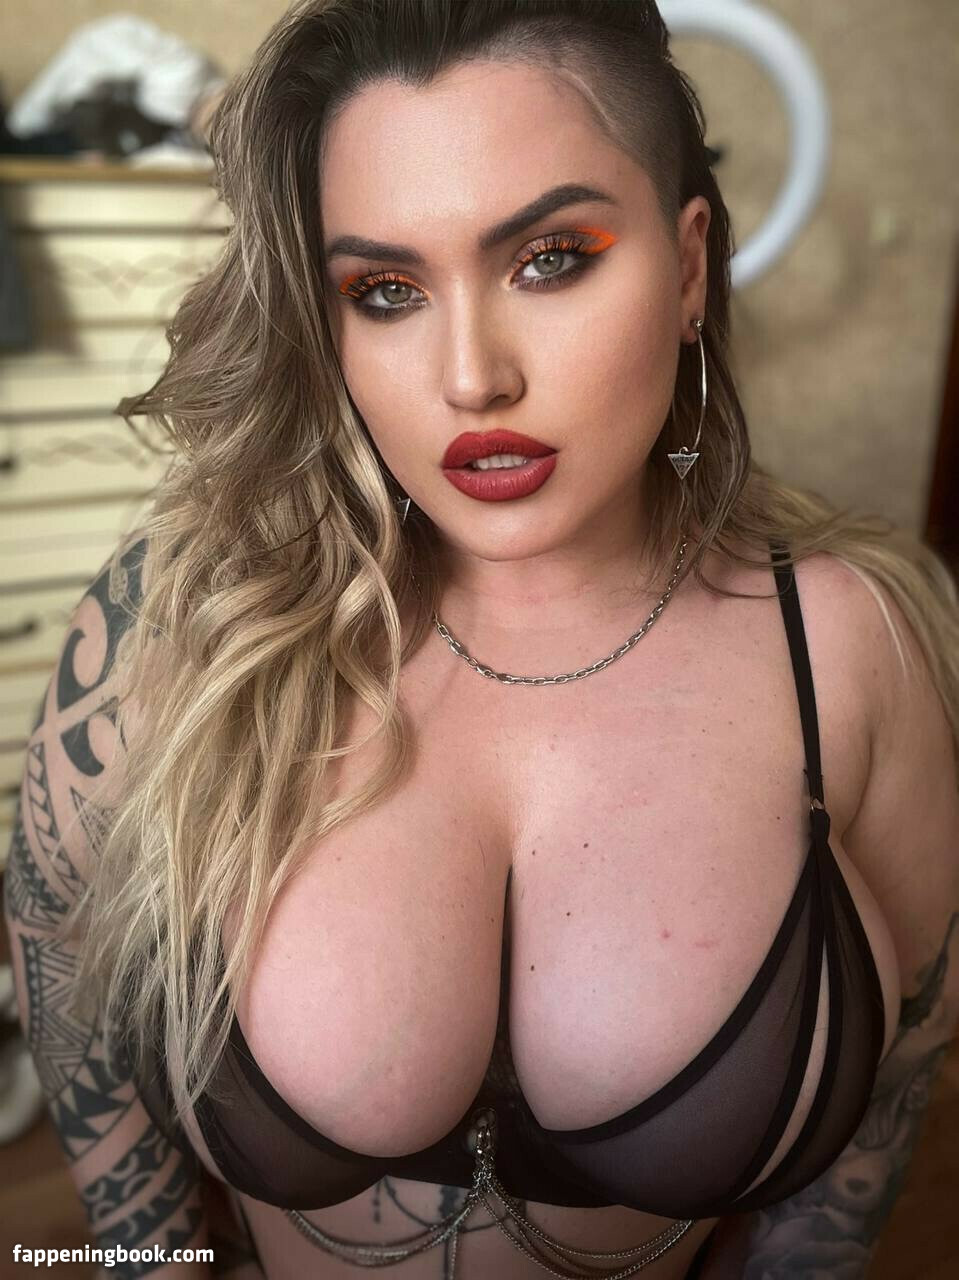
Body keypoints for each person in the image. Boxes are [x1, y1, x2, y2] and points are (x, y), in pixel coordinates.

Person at [5, 2, 959, 1278]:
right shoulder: (179, 620)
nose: (470, 376)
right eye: (385, 290)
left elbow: (889, 1087)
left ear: (687, 270)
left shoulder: (853, 643)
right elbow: (64, 983)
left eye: (549, 259)